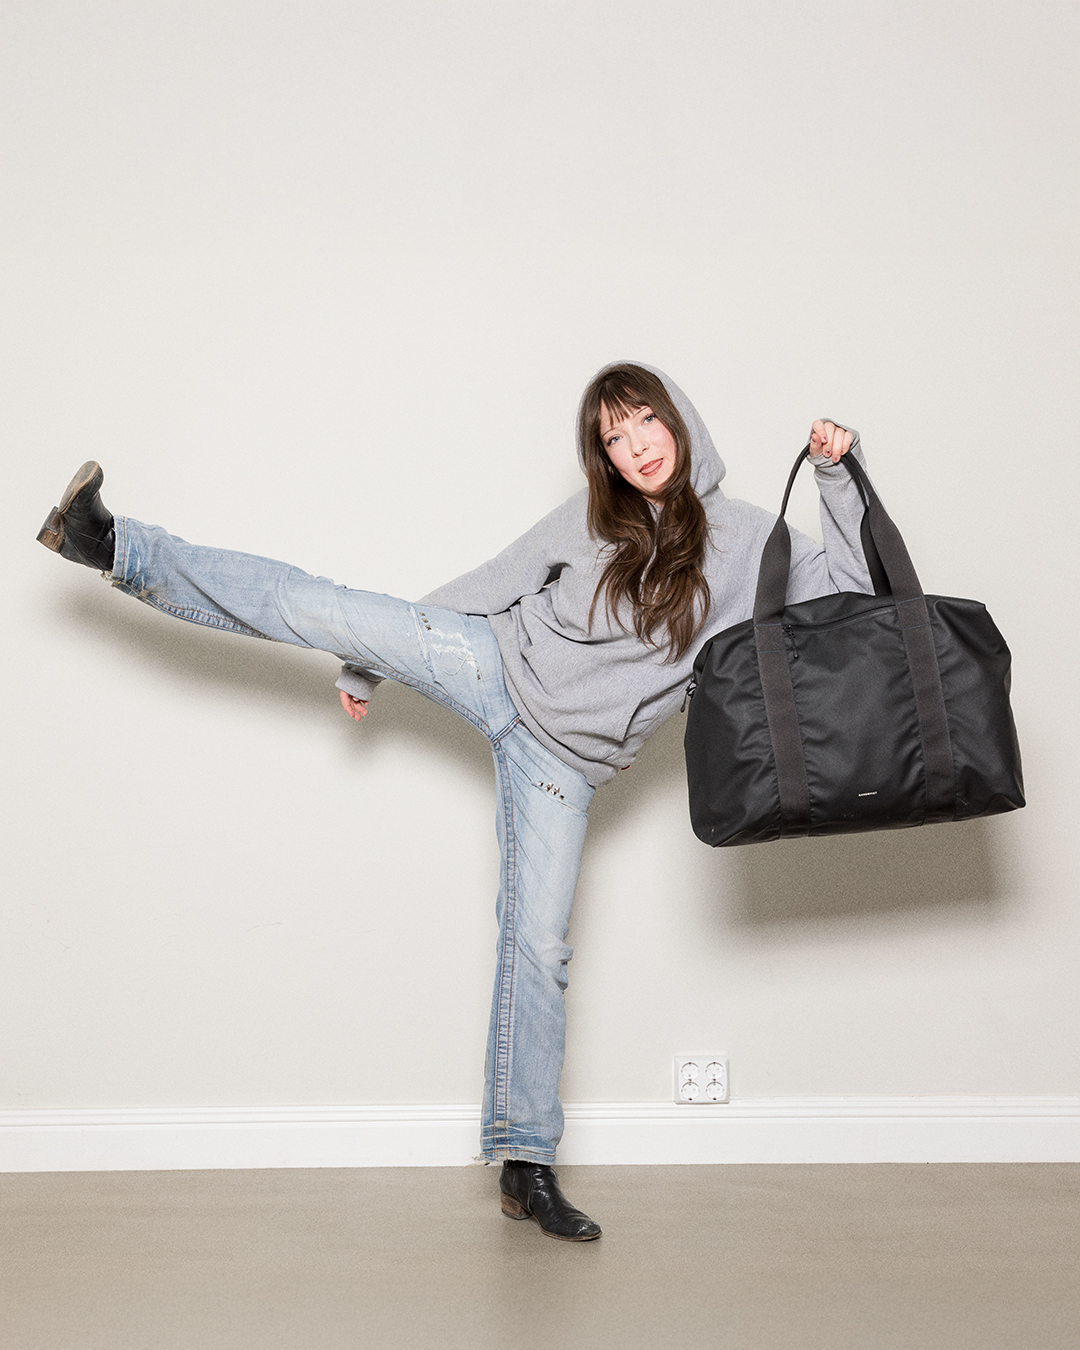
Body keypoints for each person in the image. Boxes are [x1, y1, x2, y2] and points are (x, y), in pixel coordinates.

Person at [36, 361, 866, 1241]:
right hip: (494, 663)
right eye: (613, 439)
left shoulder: (751, 541)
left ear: (679, 419)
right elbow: (490, 582)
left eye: (643, 423)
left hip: (568, 762)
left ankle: (525, 1165)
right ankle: (112, 545)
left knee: (539, 945)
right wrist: (373, 658)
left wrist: (835, 476)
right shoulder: (593, 516)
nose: (634, 448)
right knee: (319, 606)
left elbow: (852, 599)